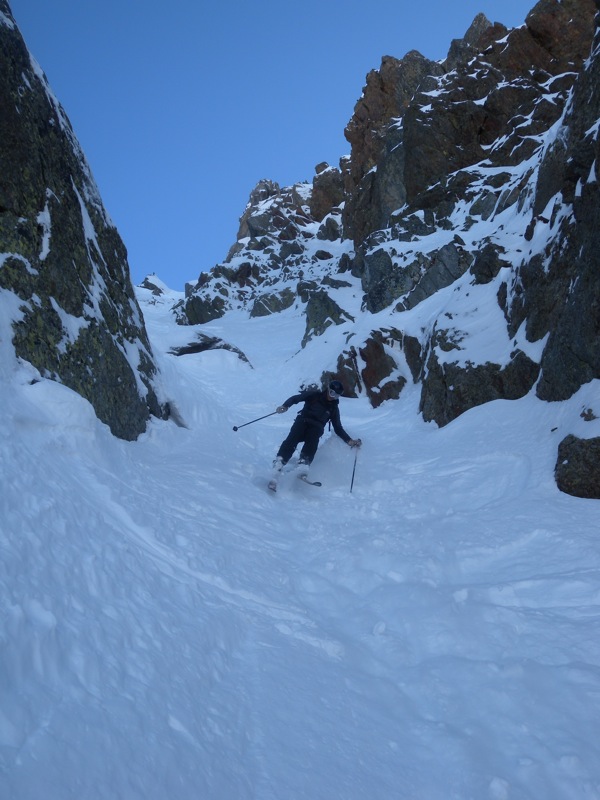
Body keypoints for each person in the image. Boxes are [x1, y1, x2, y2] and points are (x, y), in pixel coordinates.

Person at [271, 379, 361, 480]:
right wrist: (285, 405)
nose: (333, 397)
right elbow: (296, 398)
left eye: (336, 396)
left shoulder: (333, 409)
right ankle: (280, 460)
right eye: (332, 393)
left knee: (313, 439)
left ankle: (304, 463)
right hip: (303, 421)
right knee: (294, 437)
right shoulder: (314, 395)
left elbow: (338, 428)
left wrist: (349, 441)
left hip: (316, 427)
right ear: (328, 390)